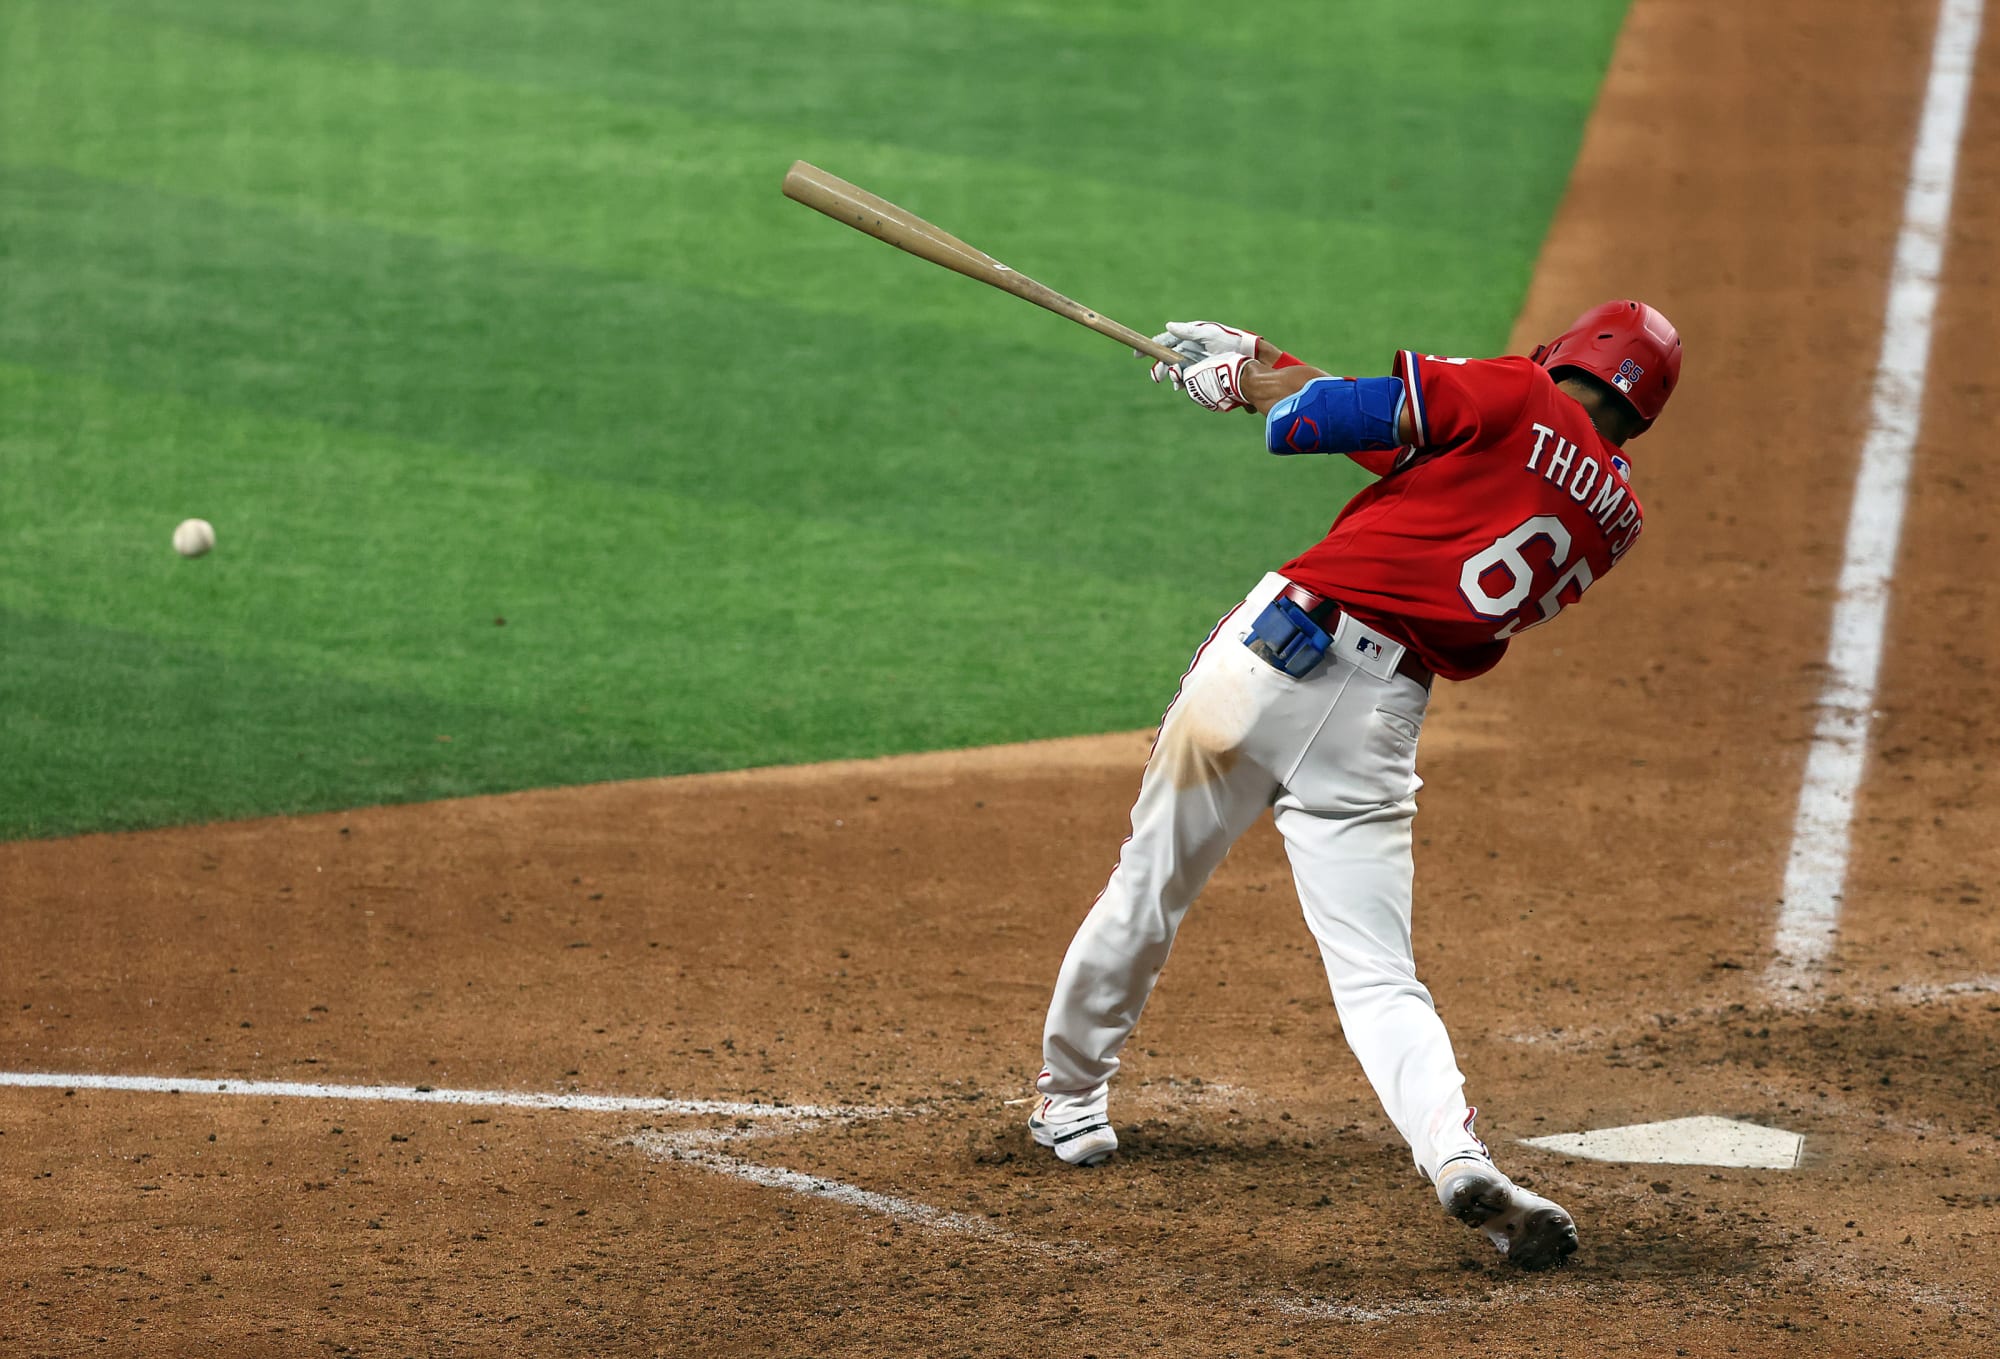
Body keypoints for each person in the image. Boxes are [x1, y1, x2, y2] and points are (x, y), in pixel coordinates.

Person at [1026, 302, 1683, 1269]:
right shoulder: (1615, 513)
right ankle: (1456, 1155)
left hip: (1271, 662)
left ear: (1576, 351)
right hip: (1378, 722)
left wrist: (1244, 389)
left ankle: (1071, 1104)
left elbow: (1323, 424)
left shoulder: (1520, 388)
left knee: (1148, 886)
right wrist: (1270, 359)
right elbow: (1428, 457)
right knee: (1379, 975)